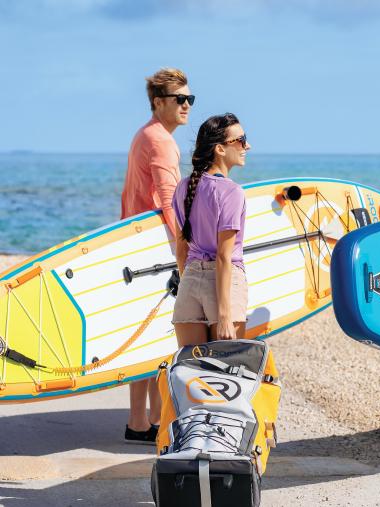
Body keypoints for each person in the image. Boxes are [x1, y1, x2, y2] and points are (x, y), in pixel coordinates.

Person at [121, 68, 193, 442]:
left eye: (189, 100)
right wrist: (185, 250)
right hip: (153, 247)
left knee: (148, 333)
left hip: (137, 243)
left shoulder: (145, 135)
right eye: (179, 99)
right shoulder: (161, 141)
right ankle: (143, 420)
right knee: (159, 335)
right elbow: (169, 202)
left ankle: (143, 419)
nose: (186, 106)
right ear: (158, 102)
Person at [171, 113, 251, 346]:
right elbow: (224, 257)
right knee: (227, 375)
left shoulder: (183, 188)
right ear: (220, 149)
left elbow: (180, 249)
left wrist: (190, 282)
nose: (247, 145)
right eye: (241, 140)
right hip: (223, 286)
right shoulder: (231, 191)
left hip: (190, 282)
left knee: (192, 373)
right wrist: (225, 316)